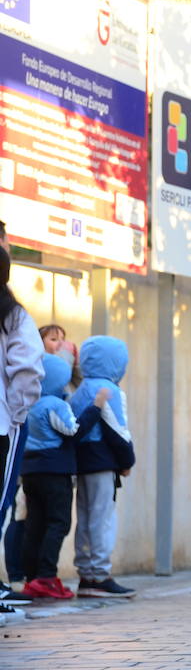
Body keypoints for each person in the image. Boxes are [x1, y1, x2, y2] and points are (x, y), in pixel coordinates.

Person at [19, 354, 102, 599]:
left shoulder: (29, 402)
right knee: (58, 523)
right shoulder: (54, 404)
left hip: (30, 471)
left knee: (34, 524)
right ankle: (46, 577)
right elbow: (72, 430)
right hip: (55, 471)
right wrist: (95, 408)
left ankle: (32, 577)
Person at [68, 336, 137, 597]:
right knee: (102, 519)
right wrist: (127, 461)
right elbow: (117, 430)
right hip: (103, 462)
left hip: (82, 461)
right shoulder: (110, 390)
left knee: (85, 518)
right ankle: (100, 576)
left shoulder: (81, 389)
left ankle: (86, 574)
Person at [0, 242, 42, 615]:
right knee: (0, 503)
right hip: (1, 427)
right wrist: (15, 415)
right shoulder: (13, 317)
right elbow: (28, 370)